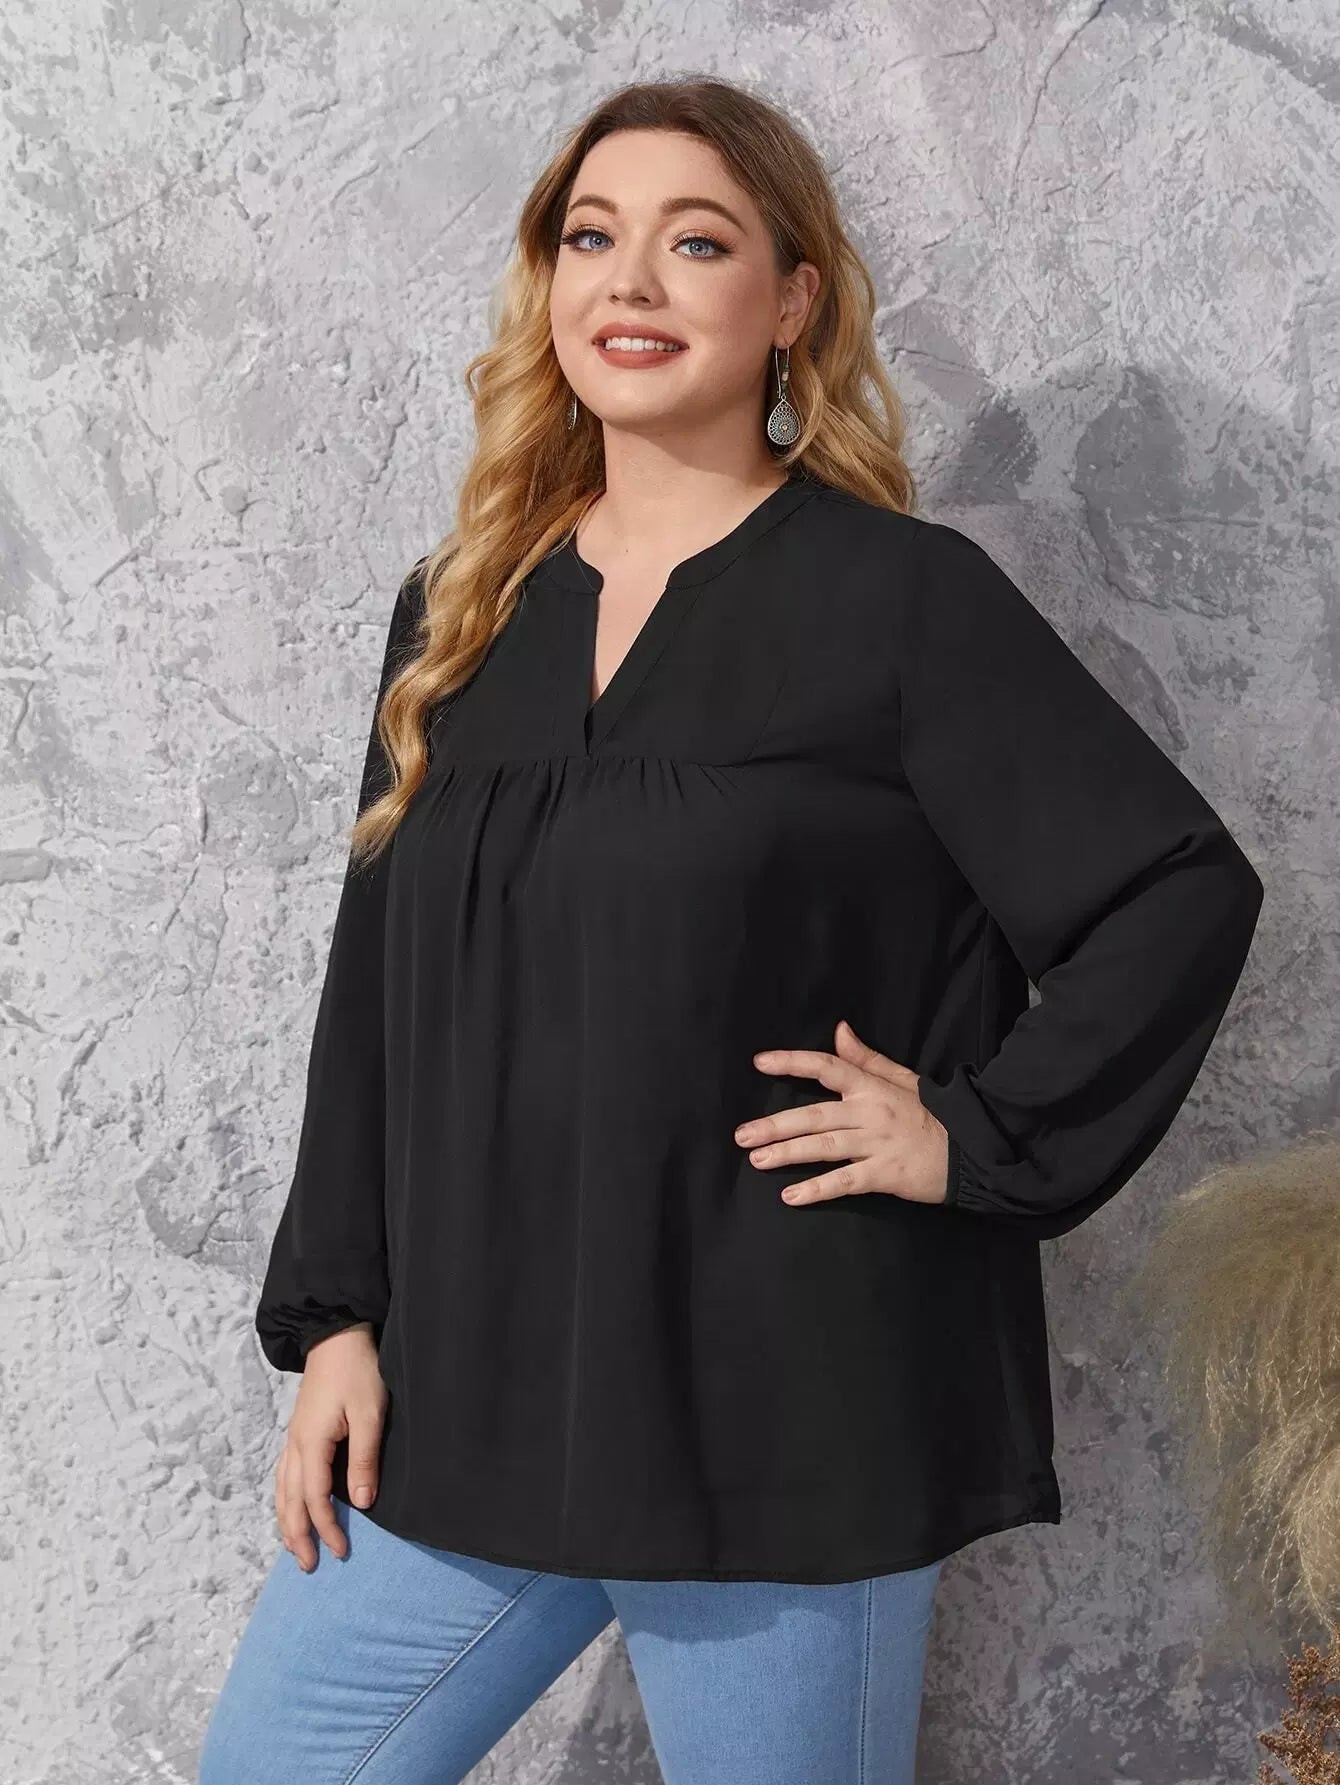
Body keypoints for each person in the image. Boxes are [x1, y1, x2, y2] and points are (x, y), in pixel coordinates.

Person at [199, 74, 1264, 1785]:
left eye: (696, 242)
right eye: (590, 237)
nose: (630, 280)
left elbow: (1175, 889)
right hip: (476, 1394)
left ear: (791, 302)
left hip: (785, 1414)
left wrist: (972, 1135)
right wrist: (335, 1321)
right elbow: (375, 994)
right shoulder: (460, 613)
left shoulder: (903, 604)